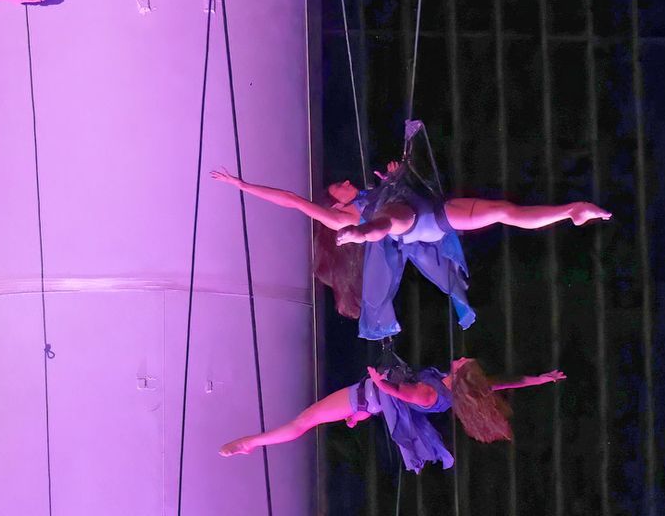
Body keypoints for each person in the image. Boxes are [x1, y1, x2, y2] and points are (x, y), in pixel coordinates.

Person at [211, 121, 610, 340]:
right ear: (335, 201)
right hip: (411, 222)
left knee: (503, 211)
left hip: (432, 211)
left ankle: (569, 212)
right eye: (339, 187)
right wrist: (244, 186)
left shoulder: (372, 188)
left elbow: (400, 182)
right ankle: (366, 237)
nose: (345, 183)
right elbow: (295, 201)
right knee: (388, 222)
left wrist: (393, 175)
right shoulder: (343, 216)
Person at [218, 358, 566, 472]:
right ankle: (355, 418)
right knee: (317, 419)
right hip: (371, 406)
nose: (460, 358)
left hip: (364, 398)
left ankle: (252, 443)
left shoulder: (432, 393)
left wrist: (376, 377)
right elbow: (505, 384)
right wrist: (541, 379)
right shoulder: (456, 389)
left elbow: (395, 393)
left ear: (460, 375)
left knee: (304, 421)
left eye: (462, 362)